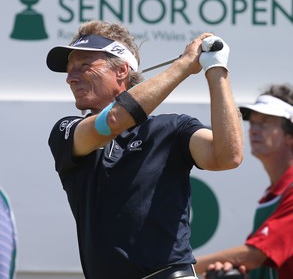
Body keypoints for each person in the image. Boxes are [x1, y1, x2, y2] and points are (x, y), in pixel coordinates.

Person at [46, 20, 243, 279]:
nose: (71, 78)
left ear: (121, 71)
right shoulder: (66, 131)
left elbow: (228, 155)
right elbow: (113, 122)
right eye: (70, 70)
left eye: (84, 66)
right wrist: (184, 66)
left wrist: (216, 69)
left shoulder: (173, 129)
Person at [195, 84, 293, 279]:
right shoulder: (272, 194)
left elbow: (254, 255)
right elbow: (257, 265)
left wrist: (177, 269)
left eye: (264, 122)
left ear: (289, 136)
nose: (254, 129)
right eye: (253, 122)